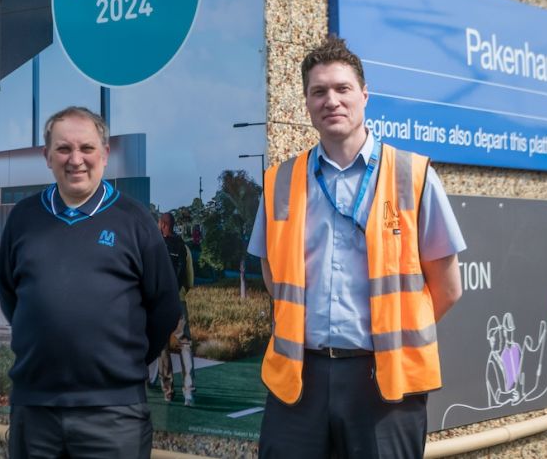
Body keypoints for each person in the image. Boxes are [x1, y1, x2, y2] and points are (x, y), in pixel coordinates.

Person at [248, 35, 466, 459]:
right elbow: (274, 277)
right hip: (299, 381)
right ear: (307, 103)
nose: (331, 100)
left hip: (383, 384)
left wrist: (392, 337)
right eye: (319, 91)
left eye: (342, 88)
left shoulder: (412, 176)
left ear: (365, 95)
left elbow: (448, 287)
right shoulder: (279, 182)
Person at [0, 106, 180, 459]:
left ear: (106, 154)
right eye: (64, 149)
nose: (75, 159)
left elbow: (165, 306)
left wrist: (123, 363)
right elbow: (11, 297)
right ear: (47, 156)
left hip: (114, 413)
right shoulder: (23, 219)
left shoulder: (135, 220)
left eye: (87, 148)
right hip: (35, 409)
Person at [157, 211, 196, 406]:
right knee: (185, 344)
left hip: (160, 302)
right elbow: (189, 280)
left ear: (163, 225)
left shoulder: (154, 247)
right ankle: (189, 390)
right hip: (178, 301)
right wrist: (181, 294)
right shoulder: (184, 247)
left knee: (162, 346)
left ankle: (168, 391)